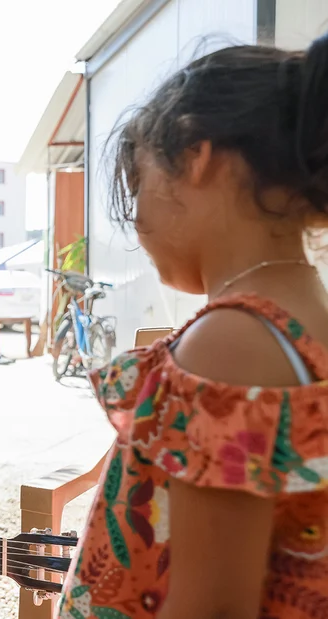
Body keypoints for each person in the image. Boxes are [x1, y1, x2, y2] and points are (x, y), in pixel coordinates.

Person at [61, 34, 328, 619]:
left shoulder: (232, 343)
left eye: (136, 190)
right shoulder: (300, 319)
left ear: (198, 156)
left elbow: (212, 608)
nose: (137, 224)